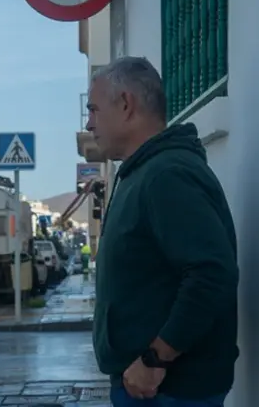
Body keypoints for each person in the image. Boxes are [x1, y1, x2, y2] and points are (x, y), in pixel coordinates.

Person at [85, 56, 239, 407]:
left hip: (168, 389)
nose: (89, 123)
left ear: (126, 104)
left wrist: (155, 359)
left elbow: (212, 273)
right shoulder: (143, 173)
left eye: (94, 109)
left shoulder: (166, 175)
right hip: (149, 387)